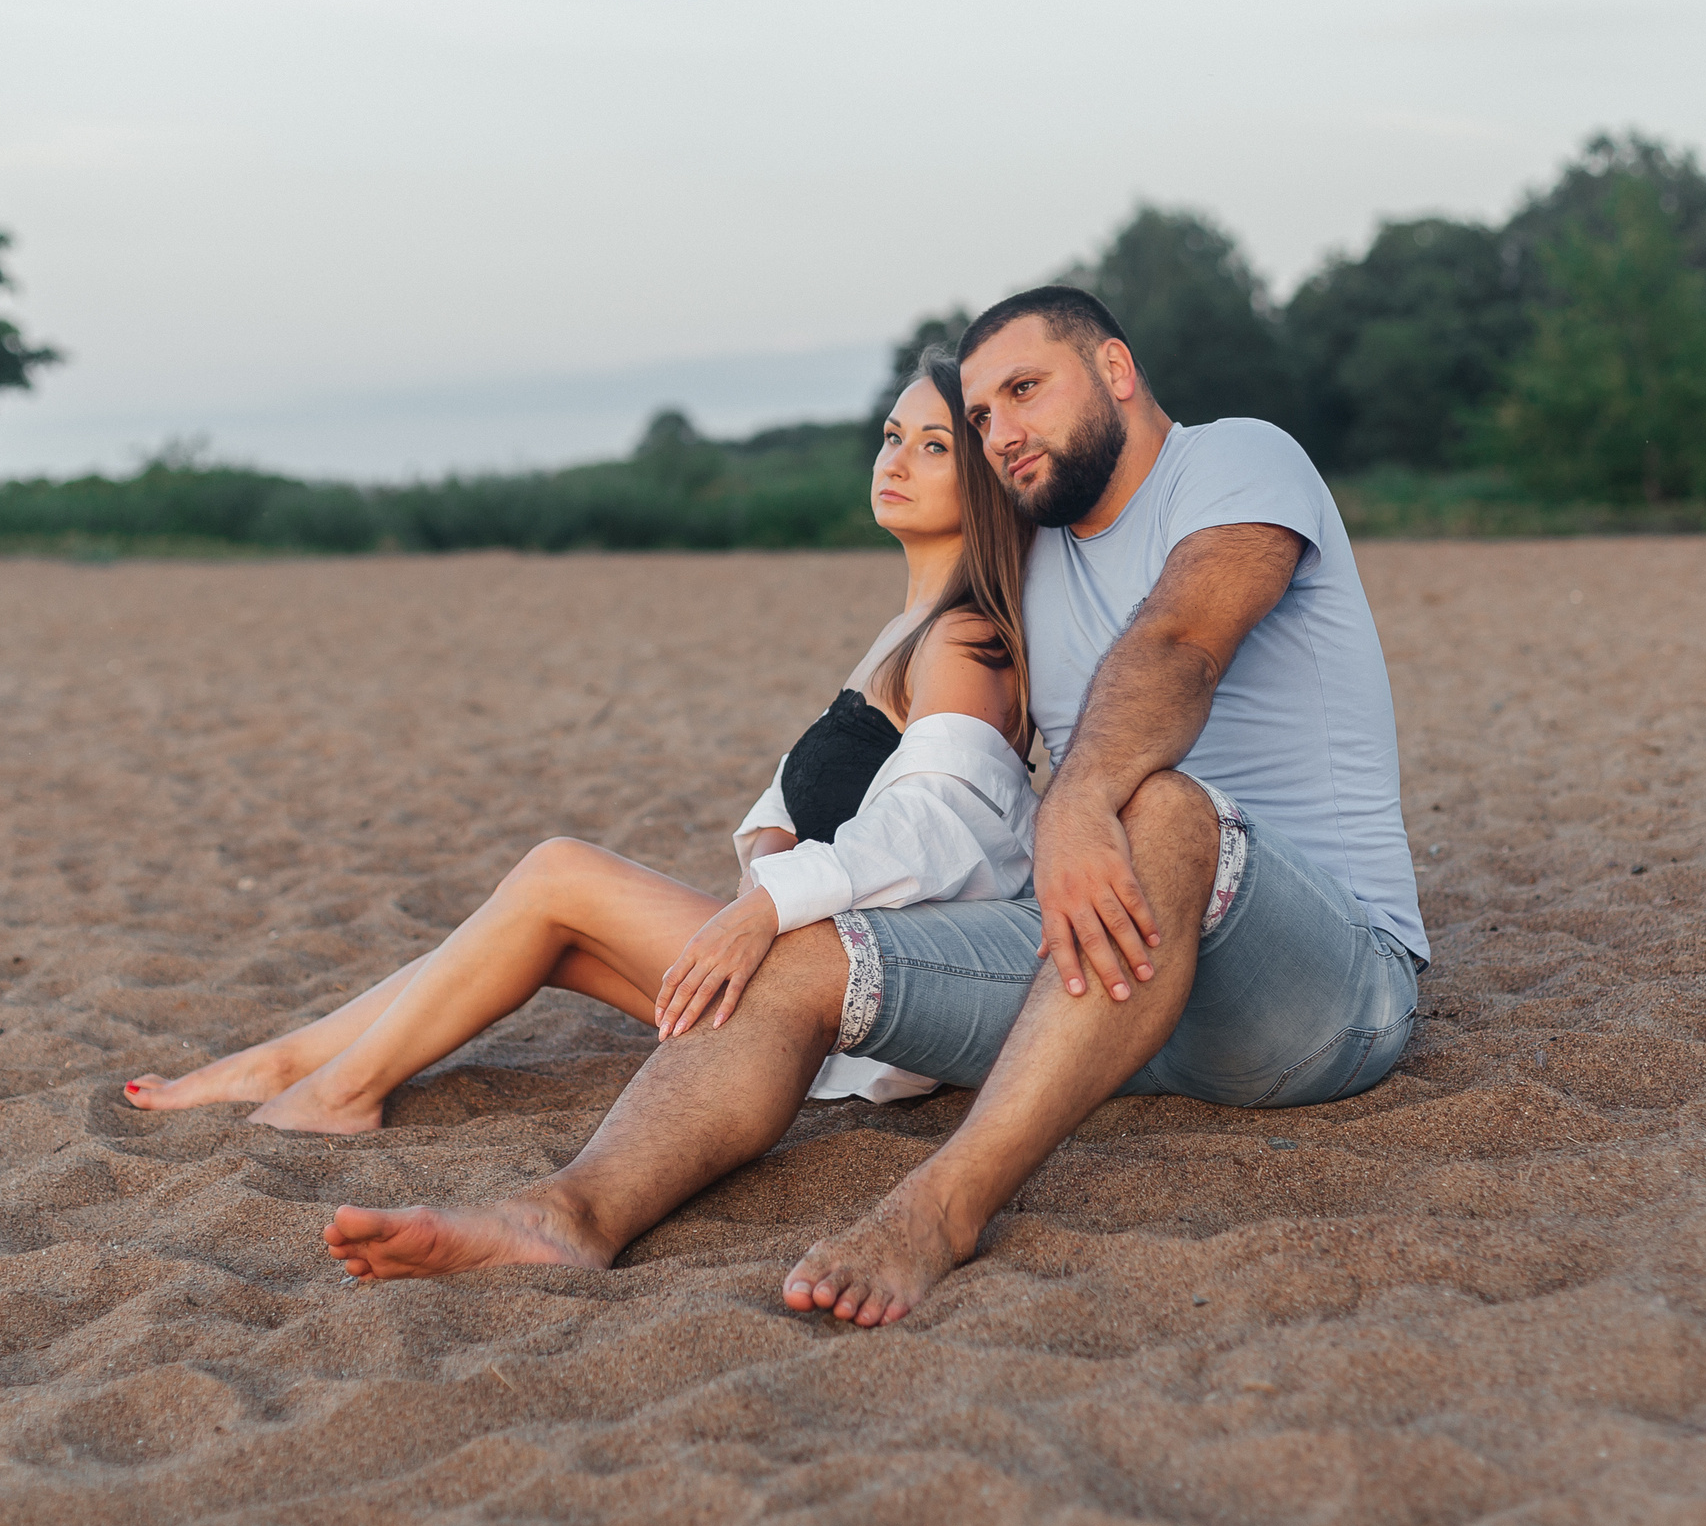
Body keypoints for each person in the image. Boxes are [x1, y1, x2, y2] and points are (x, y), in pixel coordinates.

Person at [320, 286, 1426, 1320]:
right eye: (980, 414)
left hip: (1324, 990)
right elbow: (923, 707)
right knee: (804, 953)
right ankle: (562, 1217)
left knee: (1164, 809)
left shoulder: (1236, 462)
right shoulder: (1029, 568)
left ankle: (936, 1211)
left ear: (1116, 367)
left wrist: (1078, 801)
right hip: (1115, 1002)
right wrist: (778, 858)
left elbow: (1181, 640)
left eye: (1024, 391)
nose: (999, 429)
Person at [122, 357, 1038, 1132]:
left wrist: (765, 907)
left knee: (558, 871)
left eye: (934, 447)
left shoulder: (965, 640)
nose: (896, 461)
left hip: (867, 994)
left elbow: (941, 829)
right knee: (544, 936)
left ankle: (343, 1090)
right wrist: (771, 847)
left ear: (988, 479)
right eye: (890, 435)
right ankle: (284, 1062)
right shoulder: (909, 627)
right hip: (812, 955)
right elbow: (831, 787)